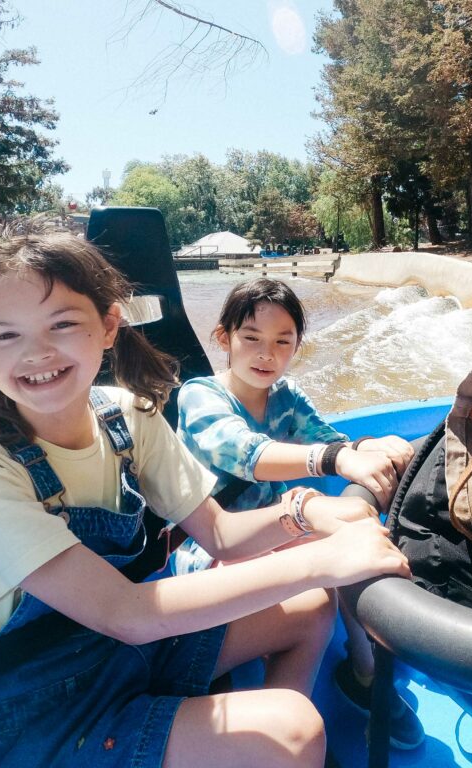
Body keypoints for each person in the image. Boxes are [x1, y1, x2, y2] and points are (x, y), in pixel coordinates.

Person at [0, 234, 410, 768]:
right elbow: (123, 612)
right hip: (23, 712)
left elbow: (221, 535)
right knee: (294, 733)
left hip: (117, 652)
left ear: (109, 326)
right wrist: (321, 558)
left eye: (62, 325)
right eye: (6, 335)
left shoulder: (127, 417)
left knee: (311, 607)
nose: (35, 354)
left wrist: (303, 513)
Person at [176, 277, 425, 749]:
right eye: (251, 338)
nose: (266, 354)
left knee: (358, 529)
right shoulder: (199, 395)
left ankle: (363, 676)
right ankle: (281, 737)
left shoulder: (286, 396)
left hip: (275, 532)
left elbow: (325, 436)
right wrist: (331, 460)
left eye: (282, 342)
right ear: (224, 338)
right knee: (332, 549)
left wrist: (370, 446)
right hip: (211, 547)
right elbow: (243, 451)